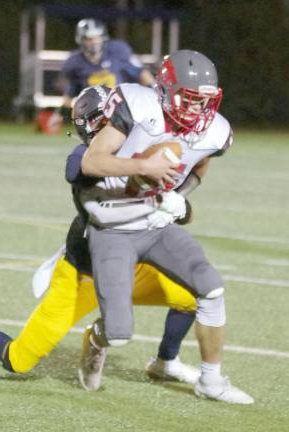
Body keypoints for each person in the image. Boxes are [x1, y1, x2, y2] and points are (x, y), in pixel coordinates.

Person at [0, 86, 199, 388]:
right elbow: (79, 168)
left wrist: (176, 201)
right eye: (113, 118)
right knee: (18, 361)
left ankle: (163, 361)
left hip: (132, 268)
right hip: (83, 276)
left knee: (192, 297)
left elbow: (183, 208)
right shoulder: (87, 158)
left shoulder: (141, 150)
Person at [77, 50, 254, 404]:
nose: (196, 111)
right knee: (119, 332)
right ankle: (96, 340)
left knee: (211, 289)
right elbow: (92, 161)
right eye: (188, 100)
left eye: (203, 103)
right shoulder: (137, 106)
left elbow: (199, 163)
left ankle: (211, 381)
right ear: (164, 89)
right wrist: (143, 170)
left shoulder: (213, 130)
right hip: (113, 224)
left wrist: (179, 198)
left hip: (155, 222)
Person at [61, 18, 154, 108]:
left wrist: (154, 90)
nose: (94, 42)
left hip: (122, 107)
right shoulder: (75, 62)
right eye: (89, 38)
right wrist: (80, 107)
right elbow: (68, 98)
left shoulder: (117, 51)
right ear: (81, 39)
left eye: (97, 37)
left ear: (103, 37)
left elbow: (141, 73)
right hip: (93, 111)